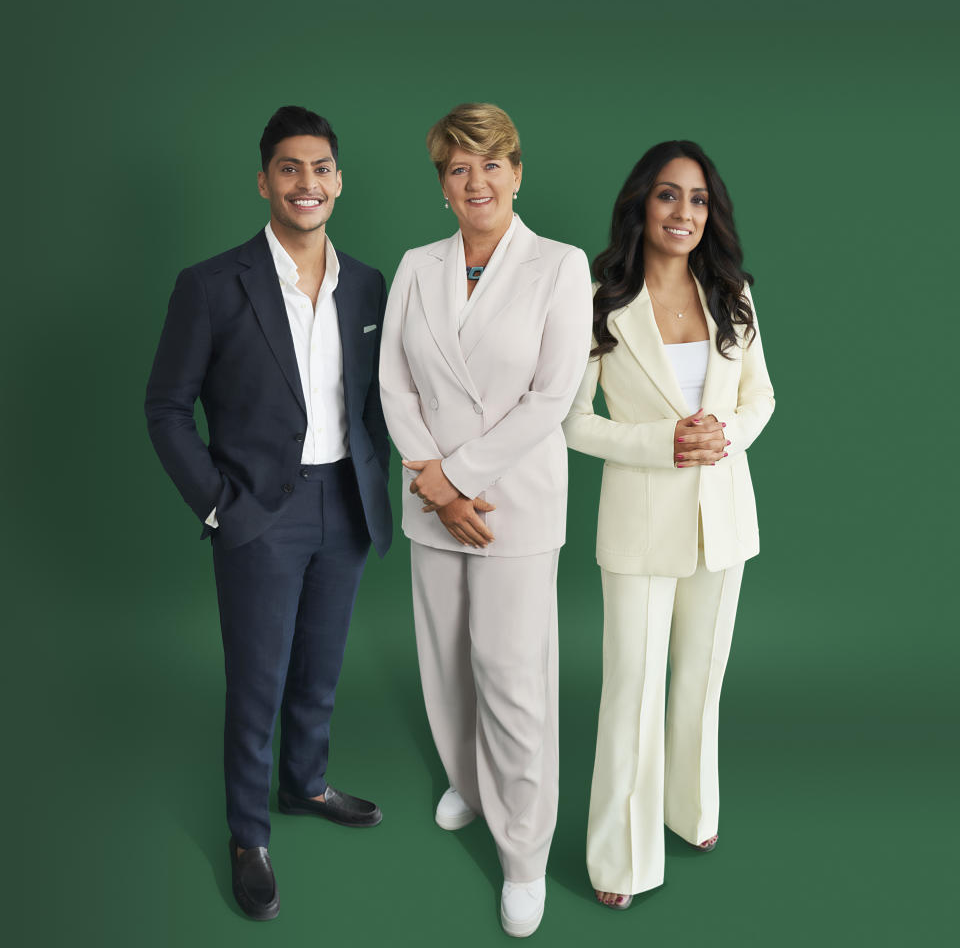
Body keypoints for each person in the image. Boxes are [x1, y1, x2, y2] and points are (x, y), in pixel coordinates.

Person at [145, 106, 392, 921]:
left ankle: (305, 784)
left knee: (319, 672)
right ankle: (248, 836)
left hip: (344, 506)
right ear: (264, 182)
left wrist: (374, 474)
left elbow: (375, 403)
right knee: (258, 685)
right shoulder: (211, 285)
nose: (307, 183)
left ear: (339, 181)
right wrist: (219, 507)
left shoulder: (366, 284)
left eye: (321, 168)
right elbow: (167, 408)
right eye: (290, 168)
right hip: (257, 514)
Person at [379, 103, 592, 937]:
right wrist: (436, 488)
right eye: (458, 168)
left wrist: (459, 480)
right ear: (441, 185)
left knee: (512, 678)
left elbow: (553, 396)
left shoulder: (559, 266)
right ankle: (469, 782)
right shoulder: (415, 265)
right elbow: (393, 382)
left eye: (491, 163)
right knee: (443, 662)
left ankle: (524, 856)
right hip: (434, 505)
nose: (476, 181)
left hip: (513, 506)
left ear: (516, 171)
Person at [562, 141, 775, 909]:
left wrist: (725, 435)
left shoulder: (734, 293)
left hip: (725, 518)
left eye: (697, 200)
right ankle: (619, 859)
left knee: (702, 679)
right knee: (633, 688)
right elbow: (571, 421)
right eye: (667, 196)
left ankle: (691, 811)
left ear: (708, 214)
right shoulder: (598, 298)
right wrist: (663, 443)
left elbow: (761, 399)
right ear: (639, 206)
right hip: (639, 521)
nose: (683, 213)